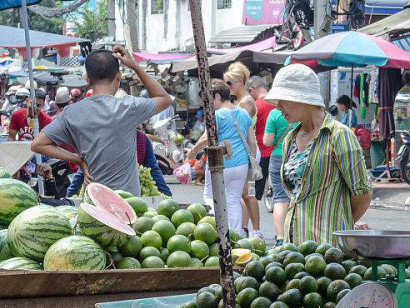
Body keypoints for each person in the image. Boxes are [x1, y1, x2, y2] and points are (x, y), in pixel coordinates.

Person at [31, 46, 172, 195]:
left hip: (94, 202)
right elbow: (164, 98)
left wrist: (78, 160)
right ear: (118, 77)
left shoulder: (72, 113)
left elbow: (38, 144)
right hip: (127, 203)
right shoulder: (129, 107)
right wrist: (134, 66)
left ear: (87, 80)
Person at [265, 63, 372, 243]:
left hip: (328, 252)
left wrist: (342, 223)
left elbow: (362, 194)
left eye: (283, 100)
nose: (278, 107)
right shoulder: (290, 140)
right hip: (293, 250)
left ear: (302, 99)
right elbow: (295, 195)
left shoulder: (339, 136)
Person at [187, 79, 253, 233]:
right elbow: (252, 142)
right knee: (233, 199)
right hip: (241, 164)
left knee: (210, 196)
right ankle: (237, 235)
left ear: (216, 96)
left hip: (220, 163)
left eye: (207, 100)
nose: (206, 105)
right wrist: (251, 162)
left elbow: (206, 138)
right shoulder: (243, 113)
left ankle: (218, 233)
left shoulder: (215, 116)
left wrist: (193, 151)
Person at [67, 129, 171, 197]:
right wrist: (70, 195)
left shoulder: (141, 139)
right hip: (103, 194)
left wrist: (166, 194)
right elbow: (85, 169)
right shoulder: (99, 138)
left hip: (129, 195)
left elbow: (153, 169)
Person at [224, 62, 262, 239]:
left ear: (240, 82)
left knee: (247, 194)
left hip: (248, 150)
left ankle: (256, 231)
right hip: (244, 149)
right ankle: (244, 229)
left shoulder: (246, 102)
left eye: (229, 83)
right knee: (241, 194)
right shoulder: (239, 102)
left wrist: (251, 159)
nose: (227, 87)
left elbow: (244, 132)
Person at [263, 106, 290, 245]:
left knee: (280, 198)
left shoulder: (274, 114)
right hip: (300, 155)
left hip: (278, 157)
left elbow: (267, 141)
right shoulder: (304, 113)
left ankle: (280, 238)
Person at [248, 76, 274, 212]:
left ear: (252, 90)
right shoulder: (277, 102)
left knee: (257, 186)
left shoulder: (256, 105)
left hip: (262, 150)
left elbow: (250, 128)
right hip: (279, 150)